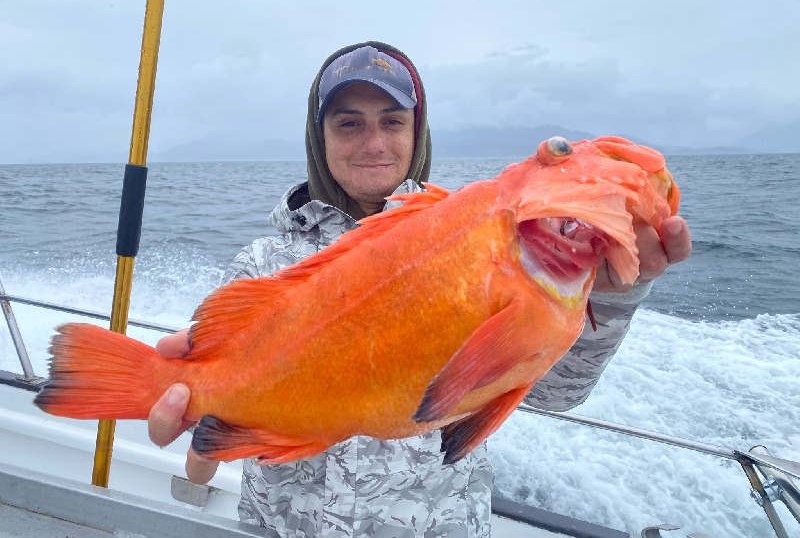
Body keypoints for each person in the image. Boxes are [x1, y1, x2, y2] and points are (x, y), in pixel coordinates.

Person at [148, 41, 692, 537]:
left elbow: (555, 393)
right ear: (320, 138)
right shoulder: (260, 263)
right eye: (349, 124)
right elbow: (222, 417)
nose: (375, 143)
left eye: (393, 121)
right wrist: (191, 414)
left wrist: (616, 293)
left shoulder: (479, 238)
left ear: (417, 132)